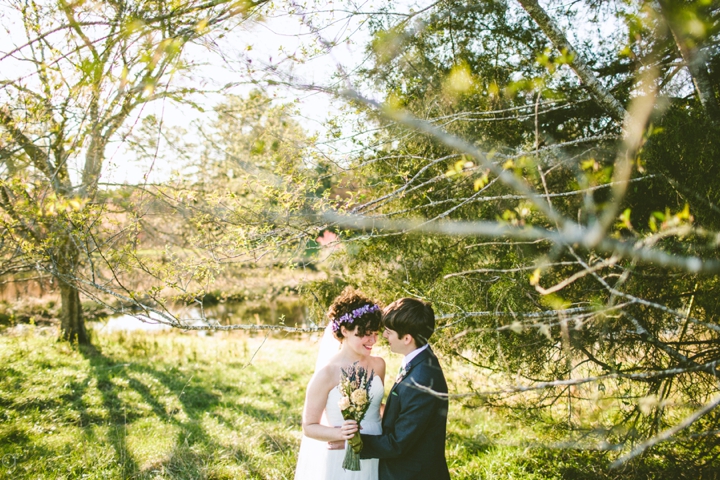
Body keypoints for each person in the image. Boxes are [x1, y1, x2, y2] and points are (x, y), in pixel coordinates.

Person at [342, 297, 450, 480]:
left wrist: (351, 443)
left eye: (389, 332)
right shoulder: (419, 360)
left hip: (412, 474)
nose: (384, 336)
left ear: (407, 338)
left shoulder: (422, 381)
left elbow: (398, 444)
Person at [294, 287, 386, 480]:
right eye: (365, 334)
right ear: (345, 330)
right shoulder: (326, 373)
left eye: (375, 333)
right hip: (341, 457)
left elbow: (378, 409)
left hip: (376, 451)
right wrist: (340, 434)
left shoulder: (378, 365)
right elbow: (309, 426)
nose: (373, 340)